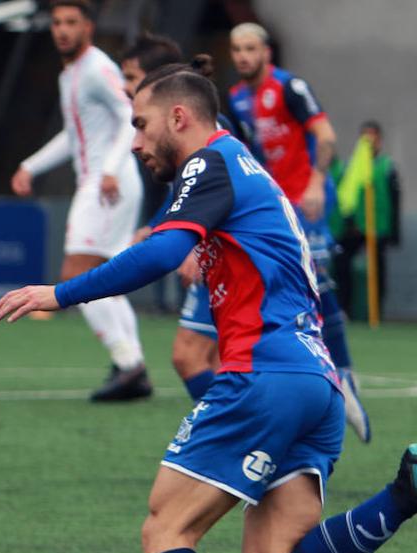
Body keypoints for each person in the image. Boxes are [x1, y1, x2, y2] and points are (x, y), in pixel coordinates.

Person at [0, 61, 417, 553]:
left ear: (180, 117)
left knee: (166, 524)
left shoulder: (210, 163)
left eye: (140, 124)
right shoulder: (244, 169)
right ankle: (404, 494)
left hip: (262, 378)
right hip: (314, 385)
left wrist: (60, 292)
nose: (134, 141)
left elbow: (164, 256)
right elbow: (194, 245)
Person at [227, 22, 371, 443]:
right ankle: (311, 379)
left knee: (319, 285)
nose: (242, 56)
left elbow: (325, 135)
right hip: (275, 209)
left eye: (250, 48)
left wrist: (314, 183)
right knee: (288, 292)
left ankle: (345, 377)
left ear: (266, 52)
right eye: (236, 49)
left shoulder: (289, 87)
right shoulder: (237, 98)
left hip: (306, 203)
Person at [10, 0, 149, 402]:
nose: (62, 30)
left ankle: (128, 364)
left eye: (71, 22)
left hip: (108, 183)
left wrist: (110, 168)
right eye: (56, 23)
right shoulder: (71, 73)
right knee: (108, 279)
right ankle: (131, 364)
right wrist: (30, 165)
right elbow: (73, 135)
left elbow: (130, 114)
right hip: (106, 181)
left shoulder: (97, 68)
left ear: (88, 27)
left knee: (76, 275)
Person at [120, 34, 219, 402]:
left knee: (191, 357)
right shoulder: (196, 149)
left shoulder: (211, 146)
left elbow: (214, 200)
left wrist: (62, 294)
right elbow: (189, 198)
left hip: (232, 265)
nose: (124, 86)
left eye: (131, 78)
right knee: (218, 364)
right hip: (224, 260)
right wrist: (156, 227)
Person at [333, 120, 401, 318]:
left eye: (373, 137)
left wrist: (393, 233)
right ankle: (344, 309)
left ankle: (376, 312)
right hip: (355, 227)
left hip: (377, 227)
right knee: (342, 262)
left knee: (378, 268)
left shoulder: (387, 166)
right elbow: (348, 196)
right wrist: (349, 223)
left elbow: (394, 201)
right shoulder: (353, 166)